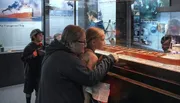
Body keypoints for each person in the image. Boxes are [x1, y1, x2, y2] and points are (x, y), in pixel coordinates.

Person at [37, 25, 119, 103]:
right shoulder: (66, 58)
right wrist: (109, 59)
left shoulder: (55, 53)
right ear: (72, 43)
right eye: (82, 42)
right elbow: (90, 78)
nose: (85, 45)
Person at [81, 27, 107, 103]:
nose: (104, 43)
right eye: (102, 40)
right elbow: (88, 84)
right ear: (93, 42)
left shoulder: (84, 52)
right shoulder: (92, 56)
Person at [21, 29, 45, 103]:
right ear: (34, 37)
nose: (42, 36)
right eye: (39, 35)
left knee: (39, 91)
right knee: (28, 91)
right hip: (30, 73)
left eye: (42, 35)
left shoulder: (42, 46)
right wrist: (32, 55)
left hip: (39, 73)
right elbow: (23, 58)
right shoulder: (29, 47)